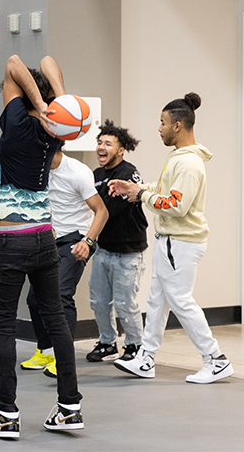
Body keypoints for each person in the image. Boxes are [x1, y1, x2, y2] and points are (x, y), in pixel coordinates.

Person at [0, 54, 83, 439]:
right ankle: (69, 407)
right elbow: (47, 60)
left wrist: (39, 105)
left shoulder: (19, 124)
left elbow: (12, 61)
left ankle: (5, 415)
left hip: (13, 240)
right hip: (45, 237)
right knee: (56, 319)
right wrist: (56, 104)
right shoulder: (56, 129)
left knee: (4, 326)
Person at [111, 93, 234, 384]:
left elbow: (176, 205)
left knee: (180, 299)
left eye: (163, 123)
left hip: (181, 242)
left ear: (178, 126)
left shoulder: (190, 164)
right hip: (170, 241)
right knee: (157, 300)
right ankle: (146, 359)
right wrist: (137, 187)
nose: (159, 128)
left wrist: (141, 195)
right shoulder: (179, 158)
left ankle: (215, 359)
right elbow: (166, 190)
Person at [17, 140, 108, 378]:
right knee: (35, 299)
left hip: (74, 240)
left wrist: (87, 241)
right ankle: (46, 351)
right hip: (48, 239)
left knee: (60, 293)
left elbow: (102, 211)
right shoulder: (36, 171)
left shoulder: (77, 172)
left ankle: (64, 358)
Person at [85, 120, 148, 363]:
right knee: (99, 300)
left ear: (121, 150)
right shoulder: (97, 175)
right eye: (99, 143)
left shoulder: (128, 173)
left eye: (108, 144)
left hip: (128, 251)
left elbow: (109, 208)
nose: (101, 147)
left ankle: (134, 345)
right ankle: (107, 342)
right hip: (103, 249)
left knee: (124, 303)